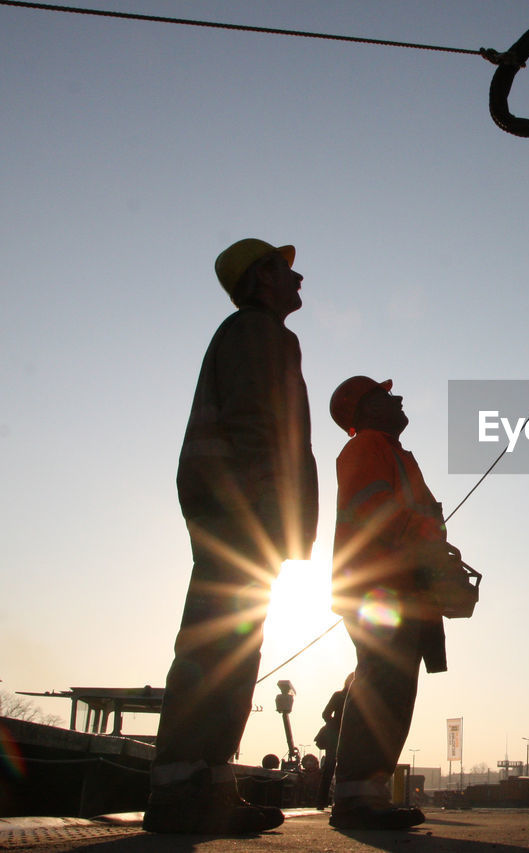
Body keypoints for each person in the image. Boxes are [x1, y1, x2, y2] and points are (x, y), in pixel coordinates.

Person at [144, 238, 319, 835]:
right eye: (286, 269)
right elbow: (255, 423)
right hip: (240, 509)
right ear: (261, 279)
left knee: (234, 647)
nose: (299, 279)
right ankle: (179, 791)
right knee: (217, 647)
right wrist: (271, 513)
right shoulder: (255, 332)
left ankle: (206, 786)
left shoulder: (261, 334)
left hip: (238, 507)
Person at [326, 375, 453, 831]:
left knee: (395, 688)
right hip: (376, 590)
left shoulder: (394, 454)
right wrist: (426, 538)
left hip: (399, 590)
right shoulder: (365, 449)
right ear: (365, 410)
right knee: (383, 684)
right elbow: (371, 508)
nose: (397, 397)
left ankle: (368, 794)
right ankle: (357, 798)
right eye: (385, 394)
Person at [315, 672, 354, 808]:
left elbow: (326, 714)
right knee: (334, 769)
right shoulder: (342, 697)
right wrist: (336, 726)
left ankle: (328, 801)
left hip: (344, 737)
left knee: (335, 769)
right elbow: (326, 714)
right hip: (339, 737)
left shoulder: (348, 697)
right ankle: (328, 801)